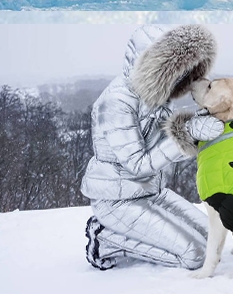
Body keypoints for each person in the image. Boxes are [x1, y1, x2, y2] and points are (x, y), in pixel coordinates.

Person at [82, 25, 225, 270]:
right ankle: (105, 239)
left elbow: (165, 150)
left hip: (152, 192)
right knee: (195, 256)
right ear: (152, 67)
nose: (178, 78)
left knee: (213, 238)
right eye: (171, 71)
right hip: (118, 200)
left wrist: (196, 135)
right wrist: (186, 132)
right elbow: (138, 165)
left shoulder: (159, 97)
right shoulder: (116, 103)